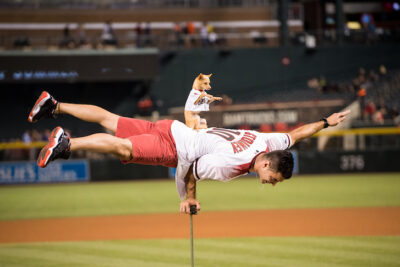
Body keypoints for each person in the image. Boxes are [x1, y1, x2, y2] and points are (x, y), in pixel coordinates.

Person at [28, 91, 350, 214]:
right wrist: (189, 198)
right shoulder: (232, 167)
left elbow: (295, 134)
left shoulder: (271, 144)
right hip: (175, 147)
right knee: (123, 147)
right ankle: (68, 142)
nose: (270, 182)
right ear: (266, 163)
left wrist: (325, 121)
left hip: (172, 128)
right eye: (273, 177)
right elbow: (191, 169)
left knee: (111, 120)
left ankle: (54, 105)